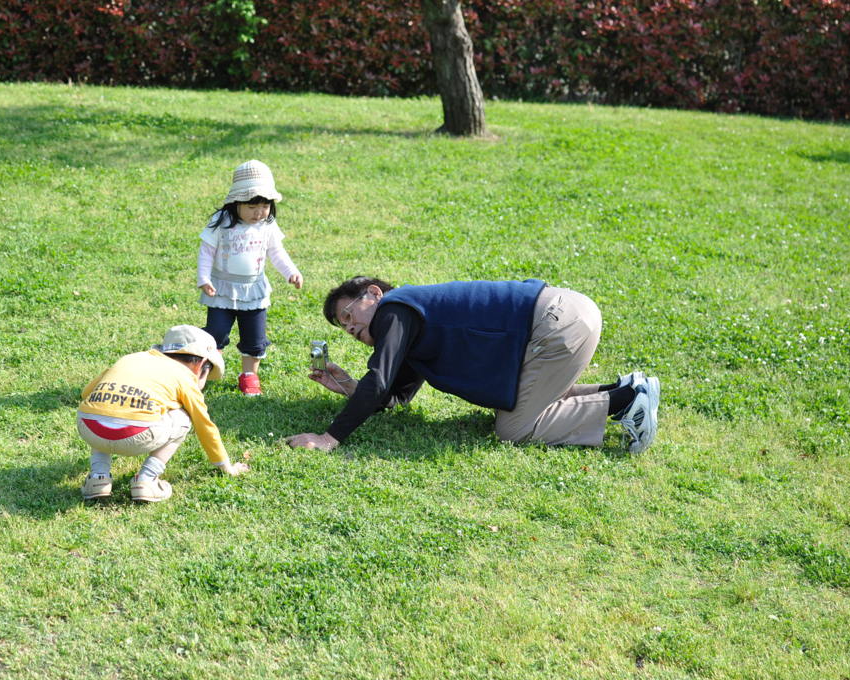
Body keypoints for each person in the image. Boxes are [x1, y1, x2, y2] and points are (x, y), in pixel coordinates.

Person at [286, 276, 660, 454]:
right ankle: (625, 390)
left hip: (555, 323)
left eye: (350, 313)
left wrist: (328, 438)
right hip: (566, 315)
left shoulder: (394, 309)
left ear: (374, 294)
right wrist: (352, 387)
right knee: (534, 398)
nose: (352, 327)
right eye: (345, 327)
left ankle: (625, 404)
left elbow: (380, 381)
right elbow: (395, 393)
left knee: (513, 427)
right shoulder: (413, 323)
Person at [77, 325, 249, 503]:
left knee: (104, 407)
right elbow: (204, 426)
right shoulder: (186, 377)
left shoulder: (131, 358)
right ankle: (147, 480)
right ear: (200, 365)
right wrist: (226, 466)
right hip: (135, 434)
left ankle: (98, 477)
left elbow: (86, 392)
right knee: (185, 417)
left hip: (88, 427)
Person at [198, 159, 303, 397]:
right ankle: (207, 369)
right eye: (252, 206)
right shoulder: (221, 224)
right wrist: (204, 278)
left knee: (254, 337)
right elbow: (206, 252)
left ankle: (249, 376)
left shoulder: (267, 226)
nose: (259, 213)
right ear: (236, 202)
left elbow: (276, 253)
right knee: (215, 333)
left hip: (253, 290)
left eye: (264, 206)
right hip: (222, 289)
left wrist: (291, 272)